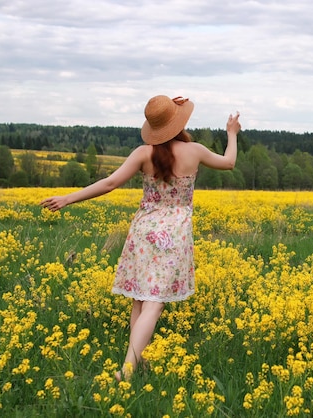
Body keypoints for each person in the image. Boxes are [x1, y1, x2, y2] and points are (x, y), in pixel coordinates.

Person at [40, 94, 241, 381]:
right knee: (154, 302)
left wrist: (68, 198)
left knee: (140, 298)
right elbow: (229, 162)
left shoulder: (143, 153)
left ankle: (139, 360)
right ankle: (128, 369)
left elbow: (109, 183)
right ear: (178, 124)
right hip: (173, 233)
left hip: (144, 230)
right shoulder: (194, 151)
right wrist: (231, 134)